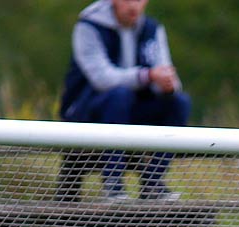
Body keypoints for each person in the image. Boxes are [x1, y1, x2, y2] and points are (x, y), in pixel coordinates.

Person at [60, 0, 190, 202]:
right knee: (120, 95)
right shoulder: (89, 26)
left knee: (179, 102)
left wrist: (167, 84)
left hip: (129, 113)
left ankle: (152, 184)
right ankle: (113, 185)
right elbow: (102, 79)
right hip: (86, 114)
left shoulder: (152, 28)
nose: (133, 6)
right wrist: (147, 76)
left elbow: (165, 74)